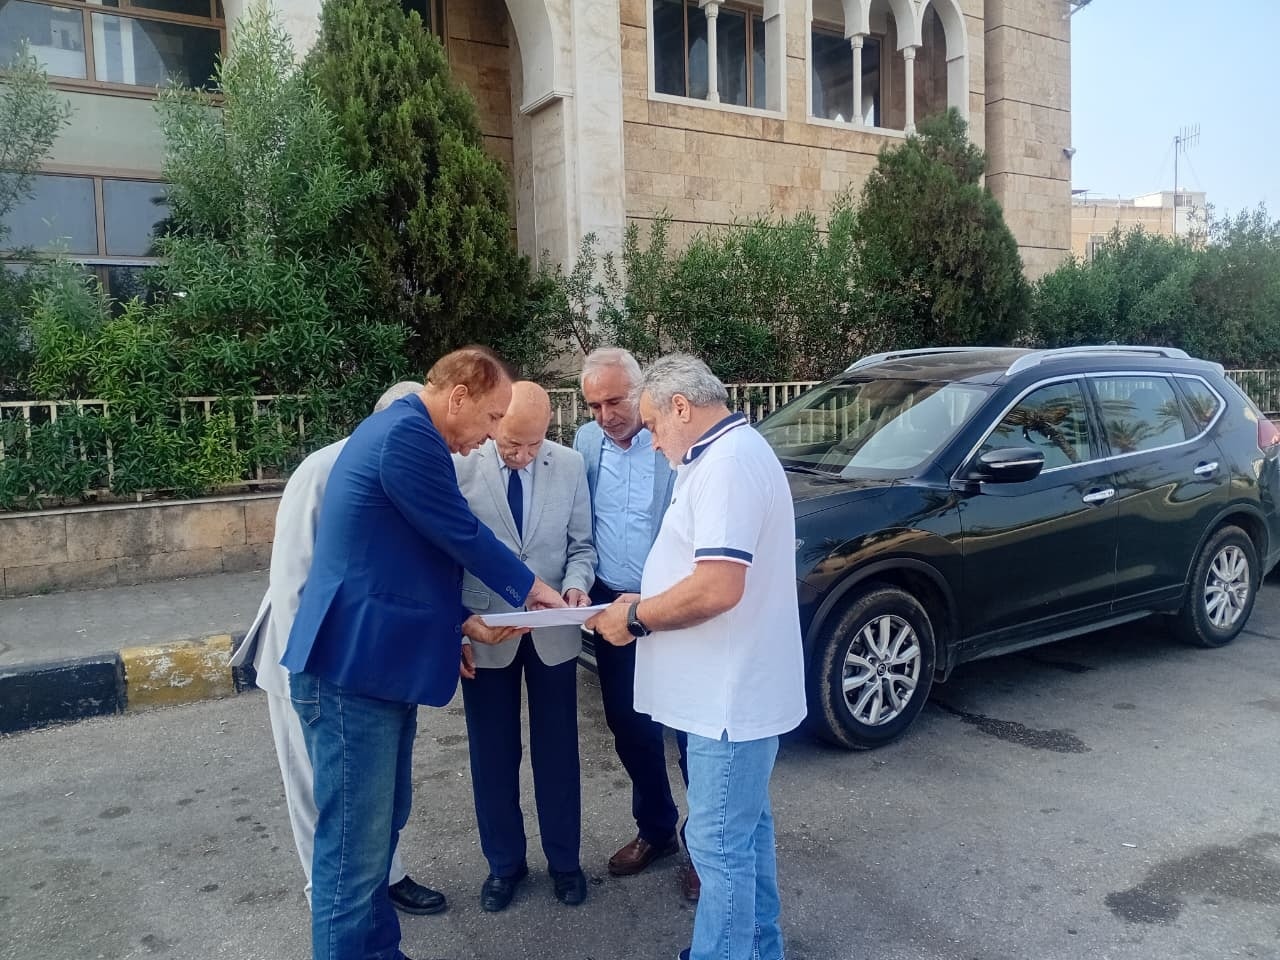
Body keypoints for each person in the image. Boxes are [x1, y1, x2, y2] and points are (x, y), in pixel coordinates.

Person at [281, 347, 566, 960]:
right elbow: (457, 531)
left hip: (378, 666)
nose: (492, 434)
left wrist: (458, 624)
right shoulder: (408, 436)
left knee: (379, 834)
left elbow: (401, 567)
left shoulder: (407, 434)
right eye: (492, 417)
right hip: (352, 672)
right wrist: (530, 587)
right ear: (458, 396)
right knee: (353, 855)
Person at [586, 354, 806, 960]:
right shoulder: (722, 455)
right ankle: (756, 949)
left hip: (725, 702)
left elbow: (717, 587)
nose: (653, 442)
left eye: (655, 426)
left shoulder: (727, 465)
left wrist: (636, 617)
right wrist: (644, 597)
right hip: (725, 694)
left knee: (719, 848)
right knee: (743, 835)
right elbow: (701, 571)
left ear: (681, 407)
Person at [230, 381, 445, 915]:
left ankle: (385, 879)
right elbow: (292, 584)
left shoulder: (413, 469)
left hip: (371, 662)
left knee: (373, 791)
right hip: (309, 663)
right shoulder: (322, 468)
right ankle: (325, 897)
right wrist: (312, 679)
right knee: (319, 791)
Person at [453, 382, 596, 912]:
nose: (524, 455)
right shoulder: (461, 466)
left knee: (558, 754)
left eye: (534, 443)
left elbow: (582, 546)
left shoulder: (570, 464)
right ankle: (504, 865)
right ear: (494, 424)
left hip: (554, 632)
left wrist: (577, 585)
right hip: (486, 632)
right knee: (492, 755)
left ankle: (565, 862)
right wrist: (456, 629)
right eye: (513, 443)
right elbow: (445, 555)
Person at [572, 348, 700, 899]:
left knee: (690, 730)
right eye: (593, 405)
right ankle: (657, 830)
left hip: (671, 605)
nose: (605, 415)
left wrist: (659, 598)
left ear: (641, 390)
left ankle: (705, 848)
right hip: (612, 606)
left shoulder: (670, 438)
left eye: (615, 401)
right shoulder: (585, 442)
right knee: (628, 724)